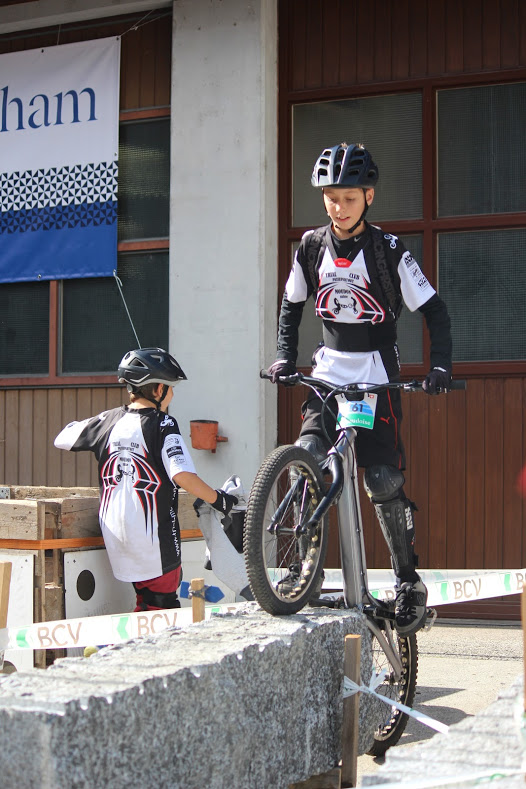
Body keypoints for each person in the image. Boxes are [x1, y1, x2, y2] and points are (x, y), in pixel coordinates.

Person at [268, 143, 453, 636]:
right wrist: (284, 356)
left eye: (349, 198)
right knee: (307, 456)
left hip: (375, 375)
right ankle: (302, 568)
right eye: (331, 197)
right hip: (327, 372)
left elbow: (434, 310)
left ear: (368, 197)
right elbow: (291, 306)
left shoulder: (389, 251)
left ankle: (407, 581)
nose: (339, 207)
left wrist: (440, 366)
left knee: (382, 481)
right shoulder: (310, 247)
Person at [54, 347, 237, 612]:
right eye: (170, 388)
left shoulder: (108, 421)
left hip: (117, 539)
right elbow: (182, 475)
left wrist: (101, 420)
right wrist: (220, 500)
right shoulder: (164, 424)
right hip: (154, 541)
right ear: (158, 389)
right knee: (162, 609)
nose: (172, 394)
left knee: (145, 602)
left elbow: (62, 438)